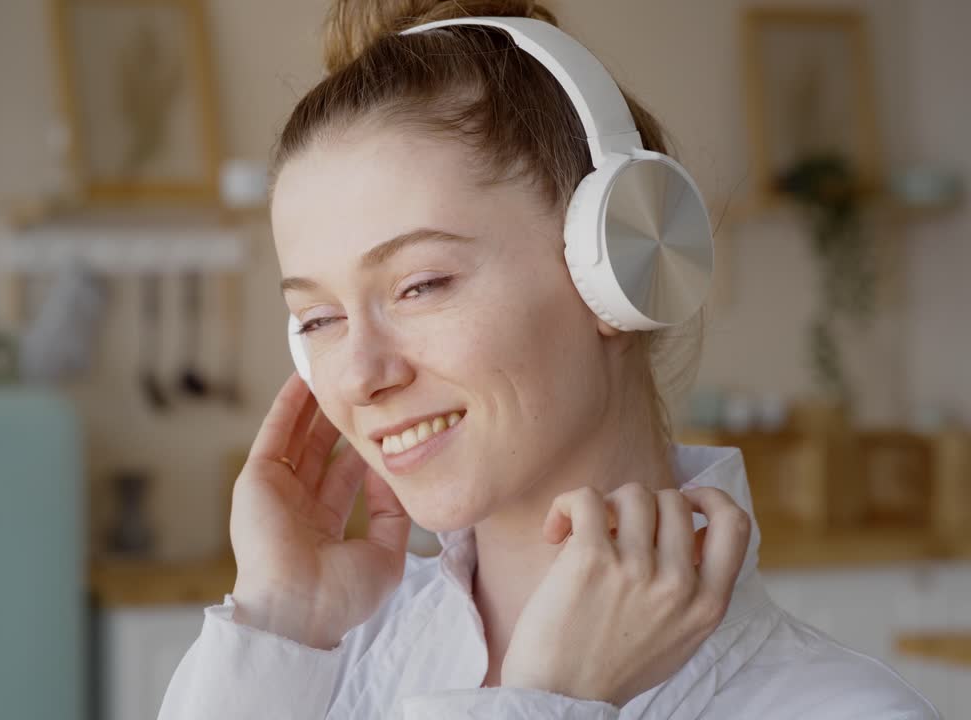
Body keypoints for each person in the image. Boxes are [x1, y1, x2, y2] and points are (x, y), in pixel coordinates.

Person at [158, 1, 940, 718]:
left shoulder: (836, 709)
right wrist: (278, 622)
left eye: (422, 285)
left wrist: (547, 703)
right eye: (319, 318)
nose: (361, 376)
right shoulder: (313, 664)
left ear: (620, 267)